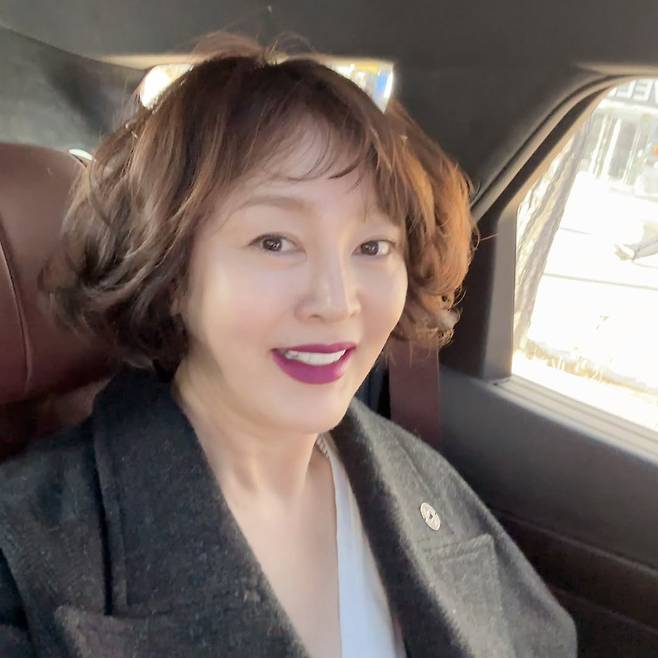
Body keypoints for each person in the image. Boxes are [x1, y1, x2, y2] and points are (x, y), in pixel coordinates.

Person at [0, 33, 577, 658]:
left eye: (373, 246)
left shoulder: (415, 475)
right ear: (170, 277)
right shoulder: (27, 553)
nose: (337, 300)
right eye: (274, 242)